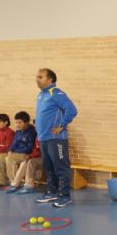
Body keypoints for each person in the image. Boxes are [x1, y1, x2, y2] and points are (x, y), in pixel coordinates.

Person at [34, 68, 78, 208]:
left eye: (40, 77)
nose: (37, 79)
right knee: (49, 167)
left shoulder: (57, 93)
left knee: (61, 167)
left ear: (50, 80)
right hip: (44, 138)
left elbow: (72, 110)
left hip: (56, 138)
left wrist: (62, 125)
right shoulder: (41, 95)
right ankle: (52, 192)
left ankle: (65, 196)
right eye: (37, 76)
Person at [2, 112, 37, 188]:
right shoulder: (18, 131)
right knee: (7, 158)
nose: (17, 125)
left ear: (26, 122)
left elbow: (29, 148)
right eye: (16, 122)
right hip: (17, 153)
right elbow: (14, 143)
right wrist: (11, 150)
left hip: (26, 154)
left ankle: (14, 182)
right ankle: (14, 182)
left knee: (9, 158)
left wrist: (15, 152)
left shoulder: (32, 132)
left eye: (20, 122)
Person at [0, 114, 15, 187]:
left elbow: (8, 146)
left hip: (8, 153)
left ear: (6, 122)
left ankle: (0, 181)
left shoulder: (9, 132)